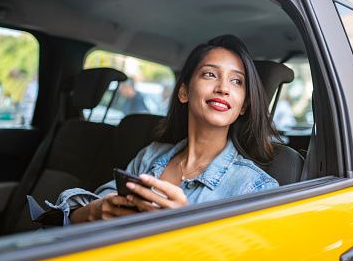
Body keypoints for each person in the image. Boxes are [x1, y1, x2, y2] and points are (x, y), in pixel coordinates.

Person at [50, 34, 280, 224]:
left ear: (244, 106)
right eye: (210, 74)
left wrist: (185, 226)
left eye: (237, 81)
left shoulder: (256, 187)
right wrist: (96, 211)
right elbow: (80, 219)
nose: (223, 88)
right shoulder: (150, 155)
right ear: (183, 92)